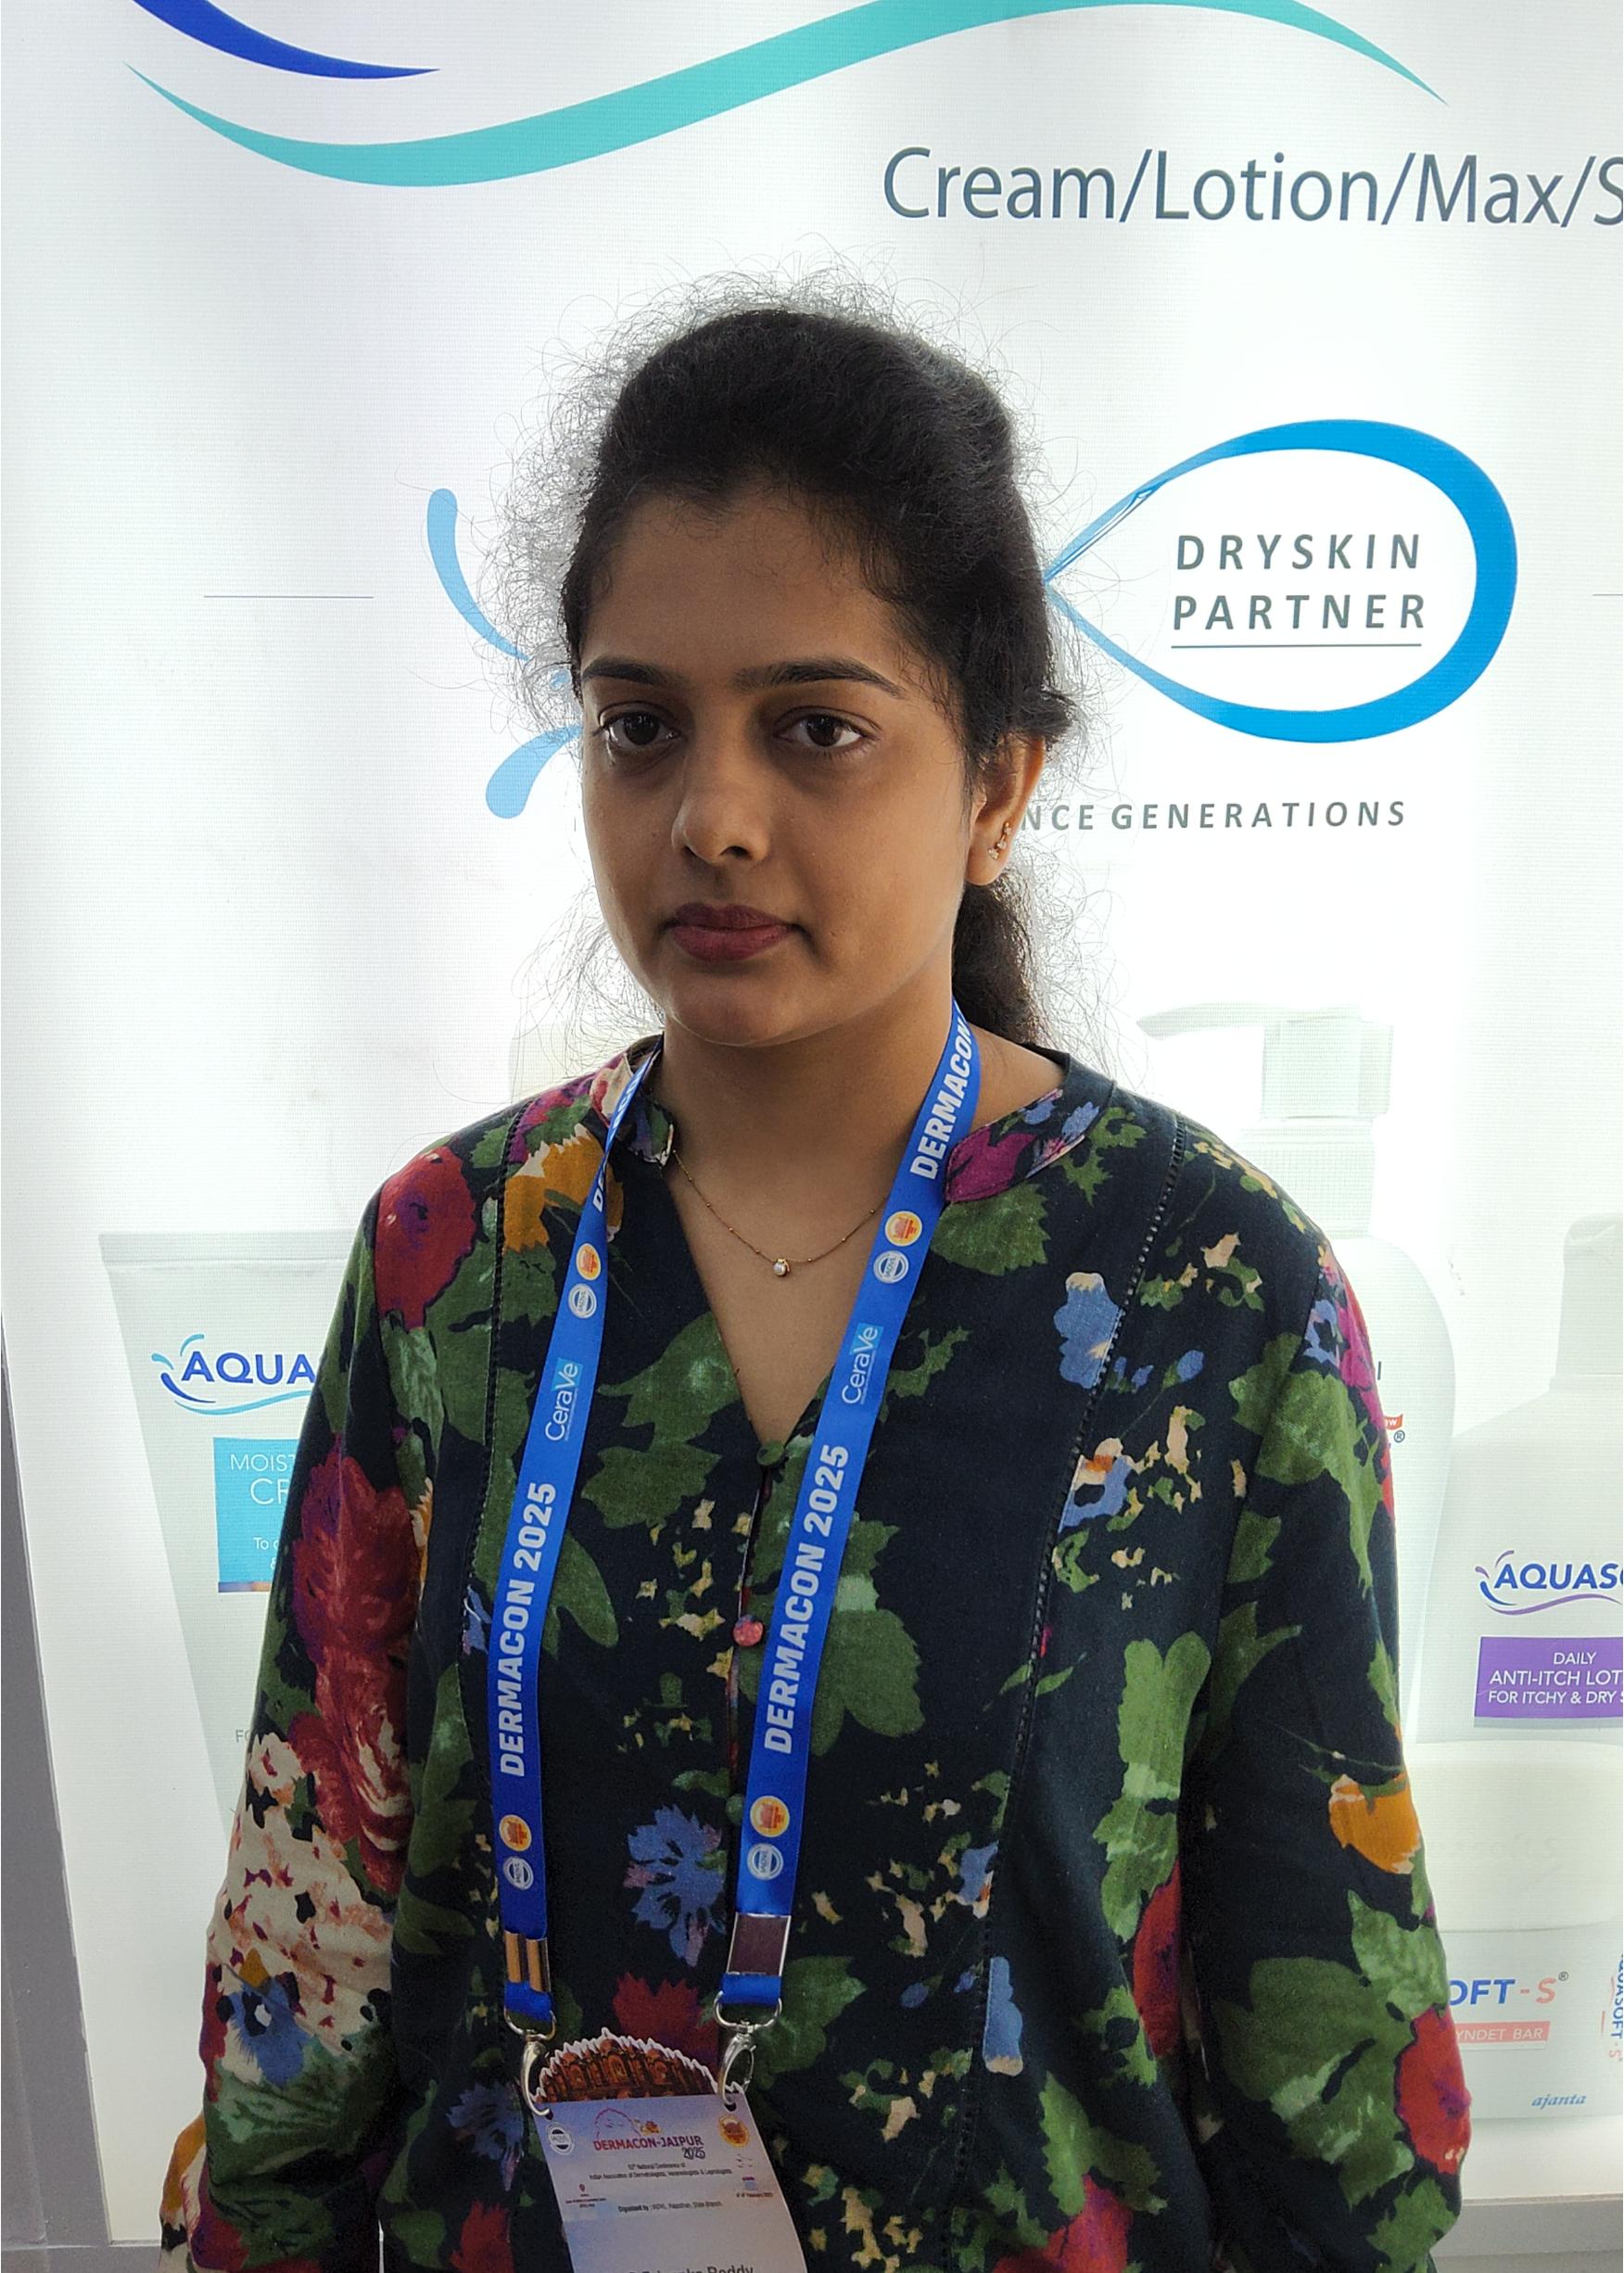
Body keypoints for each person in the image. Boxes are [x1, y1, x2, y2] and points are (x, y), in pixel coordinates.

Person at [160, 277, 1471, 2272]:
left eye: (817, 729)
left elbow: (1330, 2025)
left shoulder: (1205, 1288)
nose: (711, 818)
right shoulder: (459, 1258)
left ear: (1000, 784)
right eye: (639, 727)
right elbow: (311, 1928)